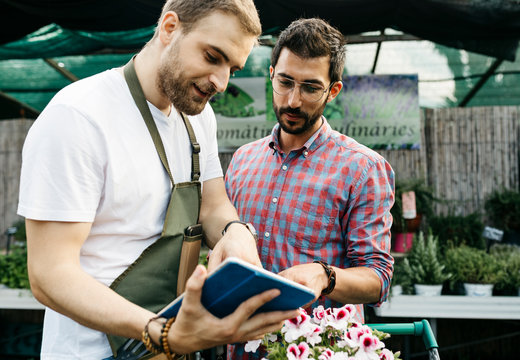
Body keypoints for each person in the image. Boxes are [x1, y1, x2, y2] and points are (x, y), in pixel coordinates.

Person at [17, 1, 300, 359]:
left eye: (232, 67)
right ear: (169, 27)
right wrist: (162, 331)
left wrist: (235, 232)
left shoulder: (200, 117)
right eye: (213, 56)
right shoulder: (78, 117)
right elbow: (50, 275)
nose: (222, 82)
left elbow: (212, 204)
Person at [225, 18, 395, 358]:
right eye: (285, 82)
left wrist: (325, 276)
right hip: (243, 347)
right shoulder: (242, 161)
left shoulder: (362, 168)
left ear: (333, 90)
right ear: (271, 73)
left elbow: (378, 278)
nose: (292, 101)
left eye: (310, 88)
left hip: (320, 350)